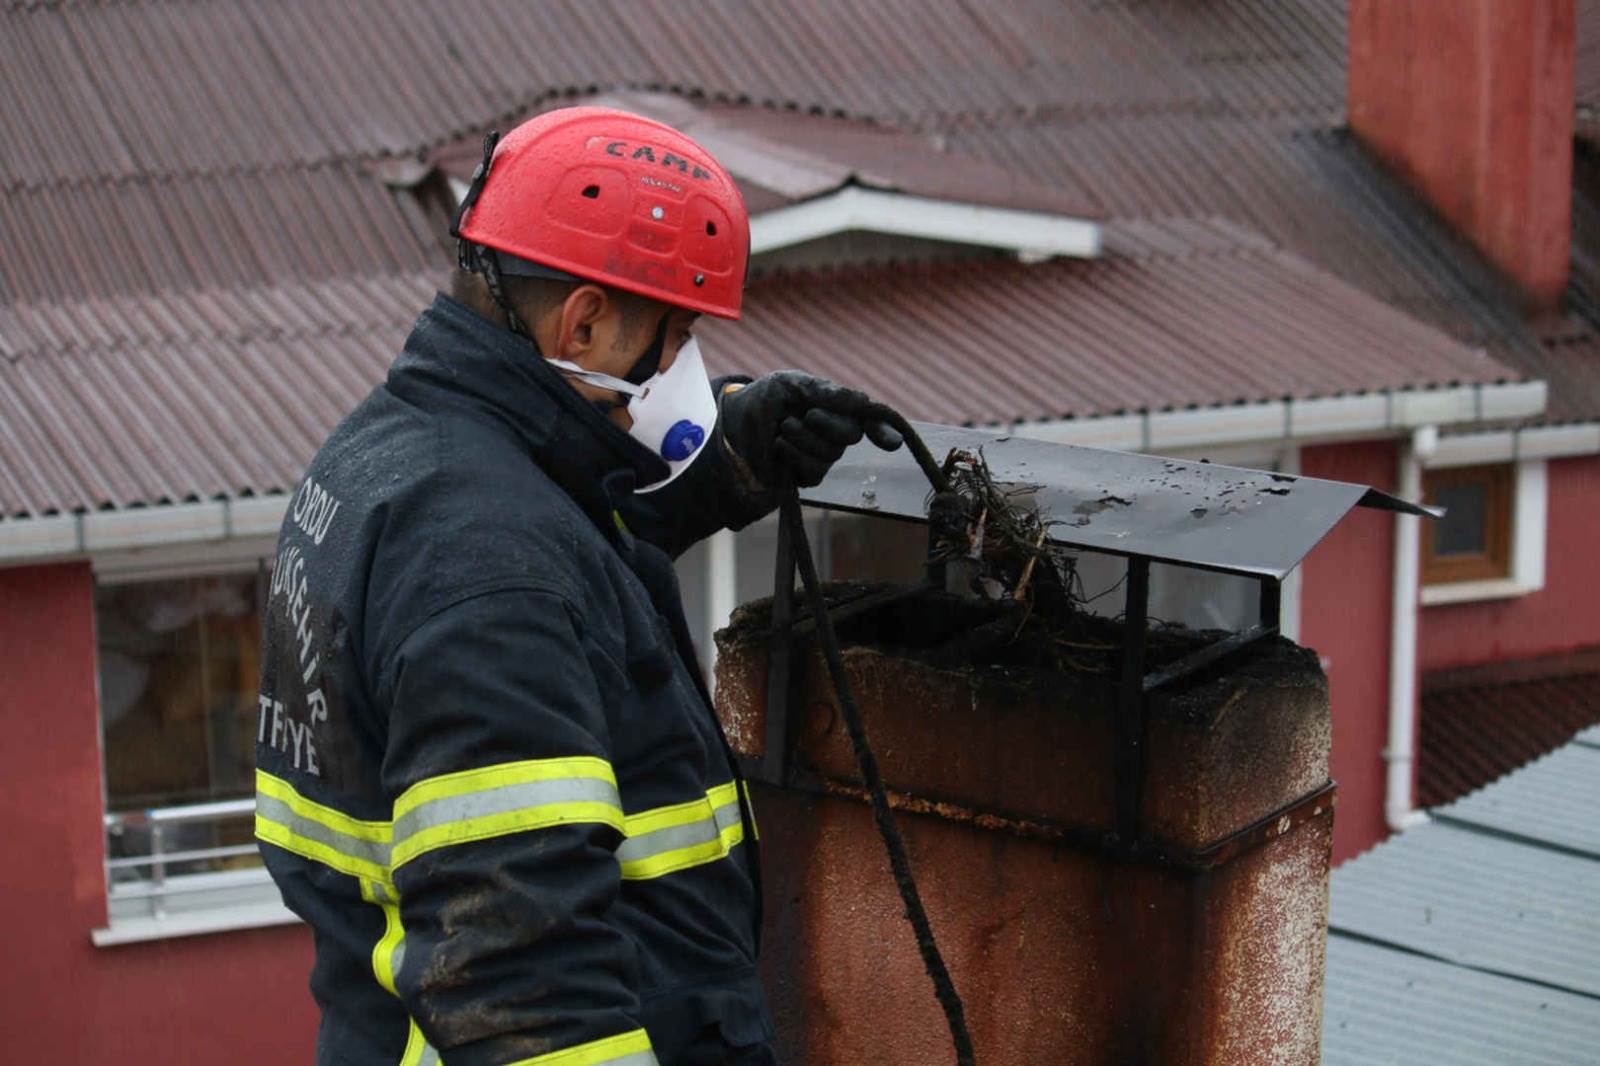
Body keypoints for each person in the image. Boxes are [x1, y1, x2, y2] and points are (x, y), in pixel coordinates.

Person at [254, 106, 902, 1066]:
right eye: (675, 337)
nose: (686, 369)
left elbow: (571, 568)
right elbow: (523, 984)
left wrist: (724, 465)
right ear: (586, 320)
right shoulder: (490, 576)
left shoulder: (405, 455)